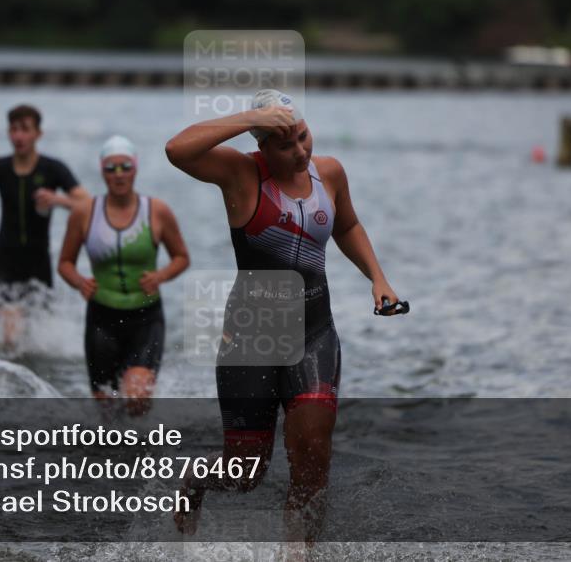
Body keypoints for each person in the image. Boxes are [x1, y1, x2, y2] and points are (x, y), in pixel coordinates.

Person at [164, 89, 405, 543]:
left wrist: (377, 277)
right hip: (253, 339)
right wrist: (252, 116)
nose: (299, 152)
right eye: (284, 144)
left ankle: (298, 554)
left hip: (316, 333)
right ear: (261, 146)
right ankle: (195, 481)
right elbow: (177, 150)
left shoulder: (329, 173)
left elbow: (347, 225)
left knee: (313, 455)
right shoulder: (239, 174)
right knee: (245, 472)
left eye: (303, 137)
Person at [58, 136, 189, 412]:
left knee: (137, 396)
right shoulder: (83, 213)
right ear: (102, 171)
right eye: (111, 168)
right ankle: (113, 454)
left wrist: (161, 276)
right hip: (101, 319)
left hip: (146, 318)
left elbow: (182, 258)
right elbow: (65, 263)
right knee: (106, 406)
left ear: (135, 169)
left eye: (125, 166)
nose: (118, 174)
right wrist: (79, 282)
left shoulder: (156, 211)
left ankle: (144, 451)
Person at [0, 104, 89, 347]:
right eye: (14, 129)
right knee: (11, 336)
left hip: (40, 263)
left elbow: (86, 203)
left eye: (25, 129)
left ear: (38, 134)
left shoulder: (53, 168)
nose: (19, 136)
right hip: (4, 259)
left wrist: (58, 200)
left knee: (38, 337)